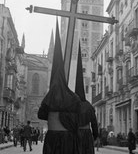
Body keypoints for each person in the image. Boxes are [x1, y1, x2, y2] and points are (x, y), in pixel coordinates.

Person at [38, 21, 81, 154]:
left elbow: (41, 115)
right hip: (68, 137)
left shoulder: (49, 96)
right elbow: (78, 116)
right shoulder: (74, 97)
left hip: (52, 137)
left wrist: (54, 115)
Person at [75, 42, 98, 154]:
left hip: (75, 135)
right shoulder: (88, 105)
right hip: (86, 135)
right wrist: (95, 135)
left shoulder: (72, 104)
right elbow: (94, 122)